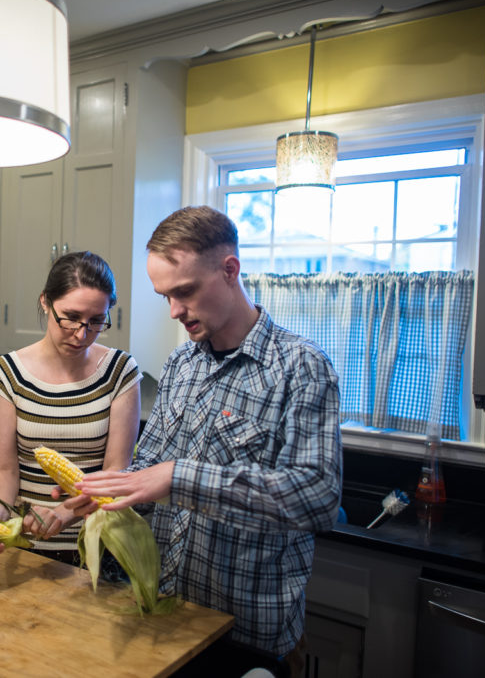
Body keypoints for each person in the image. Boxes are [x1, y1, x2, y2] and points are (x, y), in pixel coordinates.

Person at [72, 206, 342, 677]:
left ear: (230, 269)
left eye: (185, 292)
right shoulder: (181, 366)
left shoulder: (300, 367)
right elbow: (150, 464)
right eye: (165, 297)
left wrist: (179, 477)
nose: (176, 311)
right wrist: (104, 490)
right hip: (166, 618)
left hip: (246, 642)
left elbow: (316, 496)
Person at [0, 250, 142, 564]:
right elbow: (5, 469)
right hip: (29, 550)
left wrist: (65, 512)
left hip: (99, 549)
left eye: (96, 321)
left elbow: (116, 471)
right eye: (71, 317)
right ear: (45, 302)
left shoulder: (120, 371)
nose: (82, 334)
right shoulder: (6, 375)